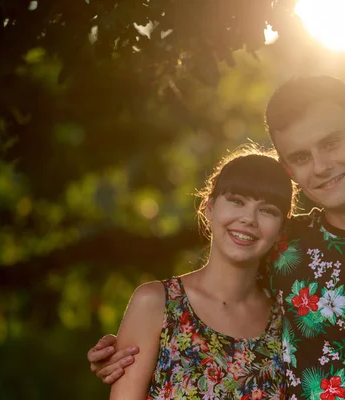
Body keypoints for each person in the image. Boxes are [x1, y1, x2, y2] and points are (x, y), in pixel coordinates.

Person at [89, 76, 345, 399]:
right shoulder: (283, 244)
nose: (321, 166)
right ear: (289, 170)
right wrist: (129, 349)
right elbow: (213, 306)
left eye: (331, 142)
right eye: (301, 157)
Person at [101, 146, 295, 399]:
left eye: (268, 210)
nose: (249, 218)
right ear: (210, 207)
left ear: (281, 229)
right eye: (237, 201)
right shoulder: (155, 303)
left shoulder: (288, 321)